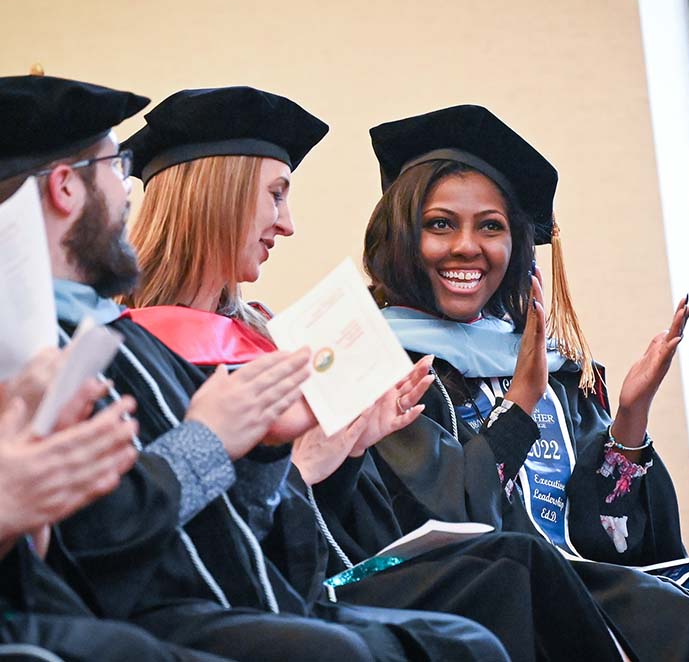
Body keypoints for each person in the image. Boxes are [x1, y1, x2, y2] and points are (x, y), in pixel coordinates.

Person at [0, 74, 509, 662]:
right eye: (117, 169)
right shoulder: (75, 347)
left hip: (237, 595)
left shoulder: (128, 339)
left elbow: (231, 530)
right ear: (65, 188)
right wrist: (222, 441)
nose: (128, 193)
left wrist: (294, 450)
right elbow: (105, 548)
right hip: (163, 613)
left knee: (468, 638)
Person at [122, 86, 640, 662]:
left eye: (490, 227)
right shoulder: (137, 349)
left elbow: (343, 520)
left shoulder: (269, 336)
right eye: (276, 195)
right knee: (509, 570)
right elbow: (150, 525)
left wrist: (343, 454)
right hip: (234, 599)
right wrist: (312, 464)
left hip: (305, 580)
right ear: (220, 200)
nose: (288, 224)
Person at [350, 103, 689, 659]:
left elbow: (606, 541)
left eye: (491, 227)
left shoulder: (549, 366)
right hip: (486, 607)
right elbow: (450, 527)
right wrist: (519, 405)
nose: (468, 246)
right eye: (439, 224)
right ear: (398, 238)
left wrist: (630, 423)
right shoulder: (379, 366)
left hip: (578, 585)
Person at [0, 349, 236, 662]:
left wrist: (280, 459)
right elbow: (102, 544)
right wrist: (206, 442)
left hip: (105, 617)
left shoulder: (139, 341)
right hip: (141, 611)